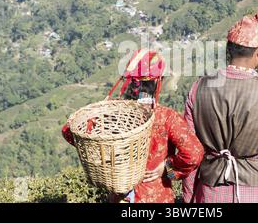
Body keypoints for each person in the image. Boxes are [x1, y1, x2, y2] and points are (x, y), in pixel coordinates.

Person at [62, 48, 204, 203]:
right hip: (157, 196)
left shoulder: (112, 113)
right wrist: (167, 170)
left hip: (120, 198)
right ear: (158, 82)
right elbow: (194, 153)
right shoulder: (166, 117)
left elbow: (69, 130)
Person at [182, 13, 258, 203]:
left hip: (211, 194)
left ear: (229, 49)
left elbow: (190, 152)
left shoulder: (198, 90)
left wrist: (188, 197)